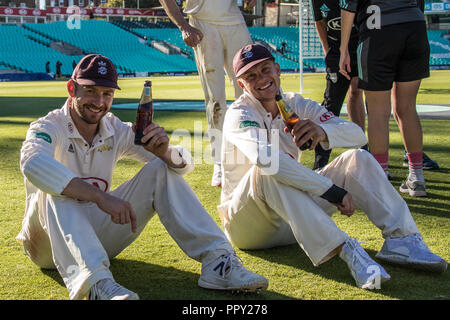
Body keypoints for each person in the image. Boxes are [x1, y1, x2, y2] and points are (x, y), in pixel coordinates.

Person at [16, 54, 268, 300]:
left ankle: (218, 262)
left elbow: (183, 166)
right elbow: (33, 163)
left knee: (161, 169)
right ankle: (95, 285)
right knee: (58, 191)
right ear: (72, 88)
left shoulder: (114, 128)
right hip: (45, 245)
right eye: (91, 91)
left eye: (107, 94)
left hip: (96, 237)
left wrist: (164, 152)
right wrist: (100, 197)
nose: (99, 101)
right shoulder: (48, 126)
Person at [217, 44, 447, 290]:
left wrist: (322, 131)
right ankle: (349, 251)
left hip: (293, 218)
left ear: (277, 68)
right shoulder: (239, 114)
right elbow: (267, 162)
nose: (262, 79)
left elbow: (357, 134)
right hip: (248, 226)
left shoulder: (297, 103)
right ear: (242, 85)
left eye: (265, 69)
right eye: (251, 76)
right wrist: (331, 190)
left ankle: (402, 241)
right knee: (267, 169)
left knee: (358, 158)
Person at [339, 0, 436, 193]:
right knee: (407, 108)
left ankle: (380, 178)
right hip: (414, 26)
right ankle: (417, 177)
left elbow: (347, 6)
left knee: (377, 112)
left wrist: (343, 50)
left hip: (378, 32)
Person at [158, 0, 256, 186]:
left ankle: (254, 153)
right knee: (215, 98)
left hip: (235, 20)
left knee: (249, 92)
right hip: (203, 22)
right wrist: (183, 26)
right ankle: (220, 162)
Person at [310, 0, 366, 170]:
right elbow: (319, 22)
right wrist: (327, 50)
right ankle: (320, 162)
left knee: (357, 93)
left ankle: (362, 148)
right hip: (335, 52)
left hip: (359, 47)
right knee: (331, 105)